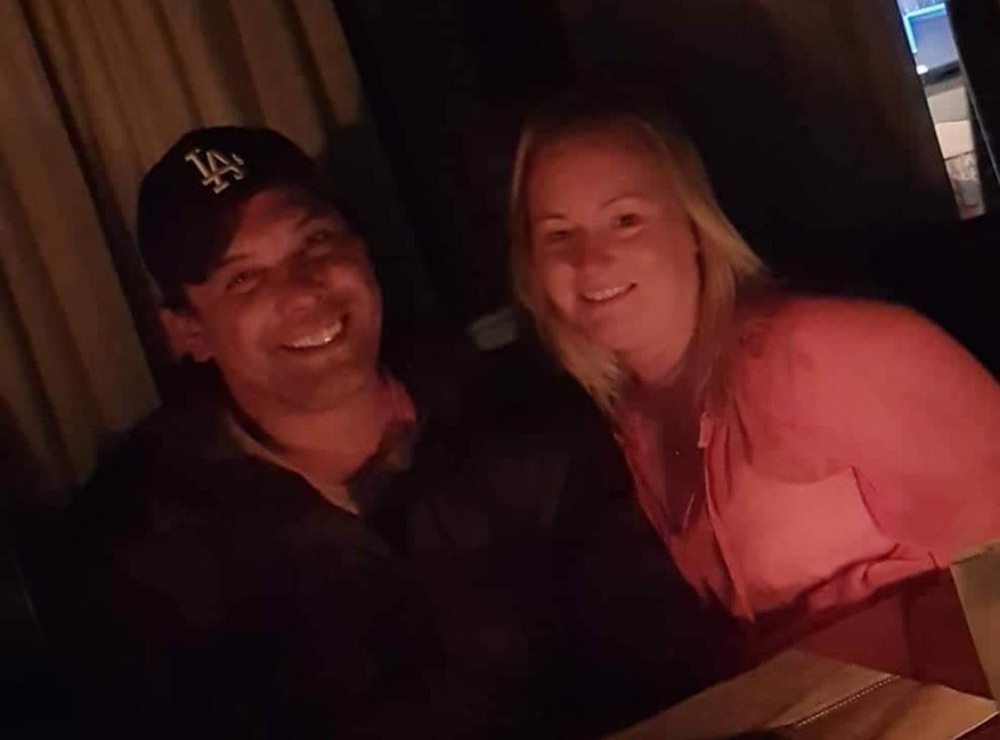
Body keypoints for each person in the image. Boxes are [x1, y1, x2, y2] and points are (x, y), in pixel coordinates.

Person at [24, 126, 732, 738]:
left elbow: (665, 662)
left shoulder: (518, 414)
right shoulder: (136, 550)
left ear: (361, 250)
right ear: (187, 331)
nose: (304, 290)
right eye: (244, 280)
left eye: (316, 243)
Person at [508, 98, 1000, 627]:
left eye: (625, 220)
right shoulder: (636, 417)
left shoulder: (817, 355)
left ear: (693, 227)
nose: (589, 260)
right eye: (558, 234)